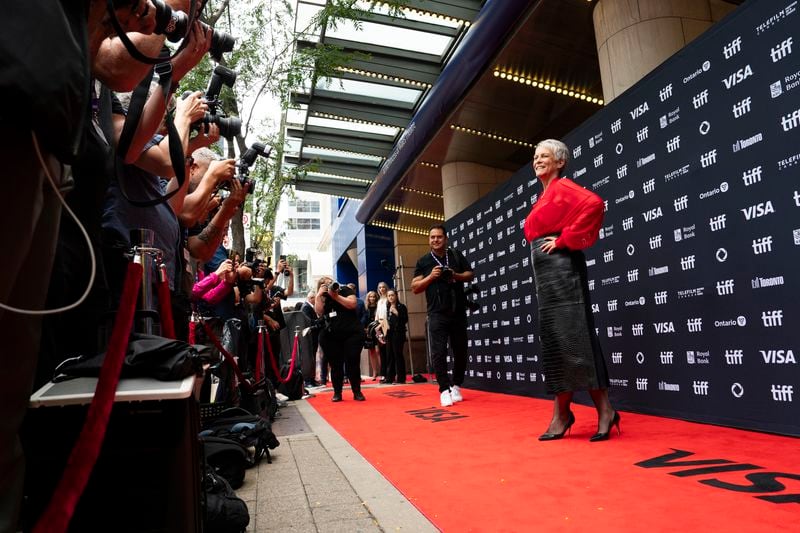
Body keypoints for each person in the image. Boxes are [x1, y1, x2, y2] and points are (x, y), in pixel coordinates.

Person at [523, 139, 619, 442]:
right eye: (536, 156)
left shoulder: (563, 188)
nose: (537, 160)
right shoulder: (544, 195)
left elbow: (595, 204)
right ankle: (566, 412)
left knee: (575, 338)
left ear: (560, 162)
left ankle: (599, 410)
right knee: (557, 340)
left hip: (564, 271)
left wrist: (563, 240)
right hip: (548, 275)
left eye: (544, 156)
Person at [411, 225, 474, 407]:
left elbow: (470, 274)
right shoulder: (423, 261)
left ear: (445, 239)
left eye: (439, 237)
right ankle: (444, 390)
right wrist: (431, 277)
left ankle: (456, 385)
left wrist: (455, 275)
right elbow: (415, 287)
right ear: (429, 240)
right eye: (432, 237)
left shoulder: (455, 255)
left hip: (458, 311)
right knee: (439, 352)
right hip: (437, 313)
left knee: (461, 351)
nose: (435, 240)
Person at [314, 277, 365, 402]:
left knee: (352, 361)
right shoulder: (322, 296)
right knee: (335, 364)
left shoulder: (344, 290)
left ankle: (357, 391)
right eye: (323, 283)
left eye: (328, 281)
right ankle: (337, 392)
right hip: (331, 335)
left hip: (351, 333)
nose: (326, 283)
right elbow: (319, 312)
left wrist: (335, 295)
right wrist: (319, 295)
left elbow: (352, 304)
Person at [384, 289, 409, 384]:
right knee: (389, 355)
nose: (390, 297)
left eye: (392, 295)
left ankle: (401, 378)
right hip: (389, 334)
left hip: (398, 333)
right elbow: (387, 321)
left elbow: (405, 319)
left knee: (397, 354)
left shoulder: (401, 307)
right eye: (389, 296)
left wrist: (396, 312)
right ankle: (390, 377)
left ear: (396, 296)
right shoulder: (387, 307)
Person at [363, 291, 382, 381]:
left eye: (374, 297)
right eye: (370, 297)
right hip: (368, 331)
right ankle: (375, 372)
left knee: (379, 351)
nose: (372, 298)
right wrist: (365, 328)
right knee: (372, 352)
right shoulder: (366, 308)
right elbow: (363, 319)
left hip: (378, 330)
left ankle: (383, 371)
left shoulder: (379, 306)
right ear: (368, 298)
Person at [375, 281, 390, 379]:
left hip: (386, 325)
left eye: (383, 287)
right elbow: (377, 314)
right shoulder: (379, 301)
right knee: (381, 351)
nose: (381, 289)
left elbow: (387, 315)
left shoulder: (388, 300)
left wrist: (382, 324)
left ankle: (389, 373)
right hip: (379, 326)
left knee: (388, 350)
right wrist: (376, 325)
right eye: (380, 287)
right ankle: (383, 373)